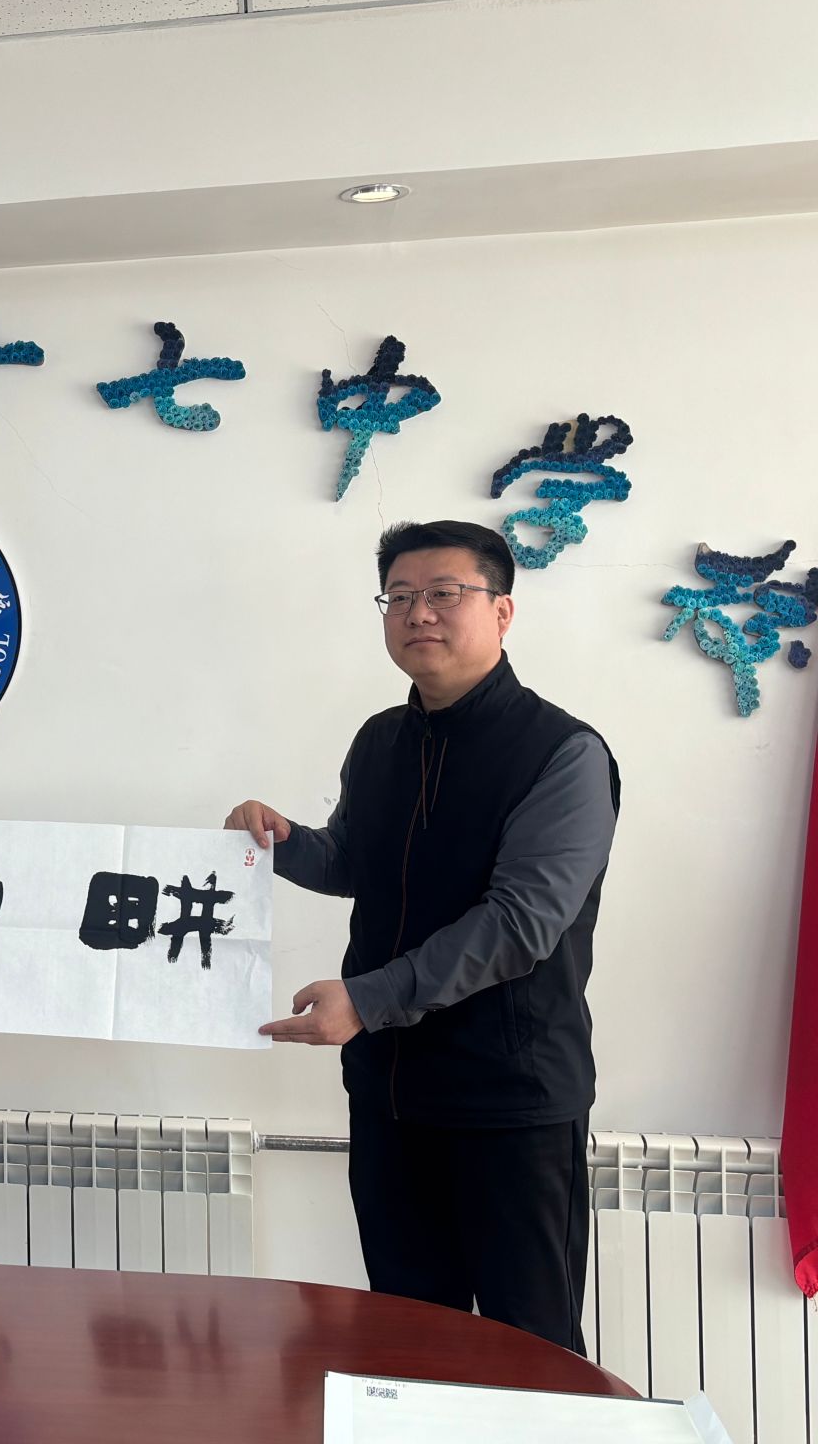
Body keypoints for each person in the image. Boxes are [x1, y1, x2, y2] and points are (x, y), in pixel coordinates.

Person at [225, 520, 619, 1352]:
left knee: (530, 1352)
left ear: (503, 611)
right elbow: (354, 861)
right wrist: (280, 841)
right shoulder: (382, 740)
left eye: (445, 593)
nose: (418, 614)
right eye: (399, 597)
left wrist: (367, 1000)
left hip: (510, 1103)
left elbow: (520, 923)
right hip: (390, 1096)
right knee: (407, 1340)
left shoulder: (564, 753)